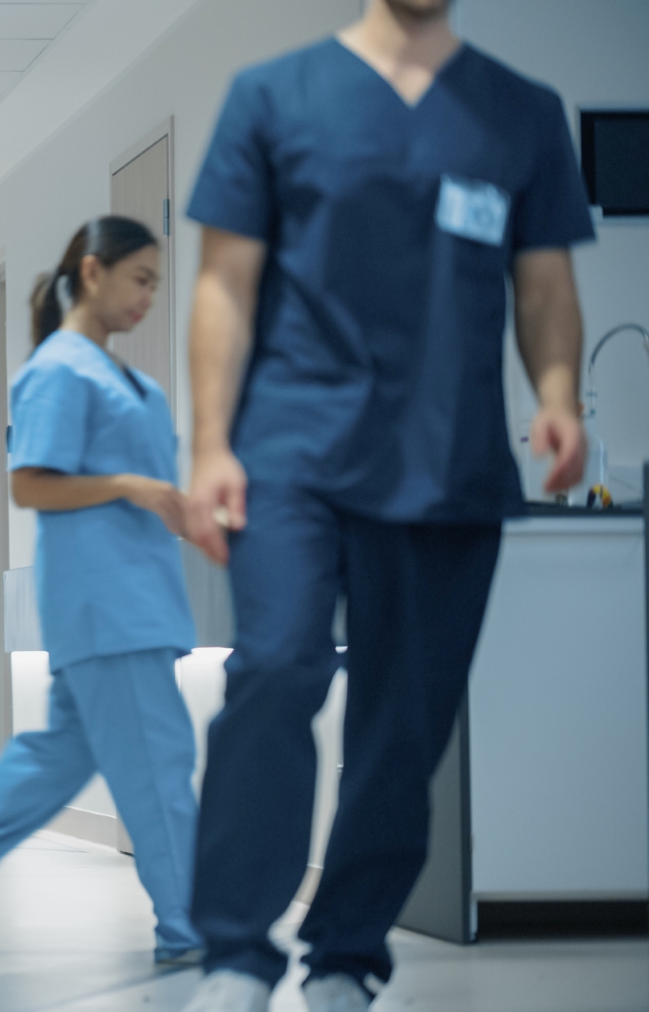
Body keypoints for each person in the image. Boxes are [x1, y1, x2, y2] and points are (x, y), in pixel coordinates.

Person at [177, 2, 591, 1009]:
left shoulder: (519, 112)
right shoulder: (274, 96)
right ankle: (235, 951)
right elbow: (225, 282)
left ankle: (348, 956)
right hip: (291, 451)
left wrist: (557, 394)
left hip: (446, 457)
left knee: (405, 722)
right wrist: (211, 443)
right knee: (276, 668)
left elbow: (543, 283)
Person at [0, 218, 203, 963]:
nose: (150, 296)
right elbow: (30, 483)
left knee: (56, 759)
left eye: (158, 283)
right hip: (107, 608)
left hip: (135, 600)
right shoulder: (59, 370)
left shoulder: (132, 380)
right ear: (92, 273)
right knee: (161, 768)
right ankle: (190, 929)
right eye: (141, 279)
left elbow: (153, 491)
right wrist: (130, 485)